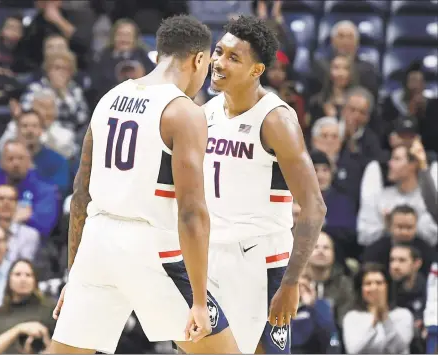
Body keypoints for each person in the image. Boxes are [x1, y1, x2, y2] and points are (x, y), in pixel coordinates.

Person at [47, 15, 239, 354]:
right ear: (199, 59)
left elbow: (80, 194)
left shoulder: (109, 98)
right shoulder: (184, 112)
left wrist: (74, 275)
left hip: (97, 241)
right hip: (150, 246)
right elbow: (192, 212)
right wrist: (198, 299)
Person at [202, 15, 326, 354]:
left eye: (233, 57)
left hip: (260, 262)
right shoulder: (207, 111)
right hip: (210, 254)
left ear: (257, 71)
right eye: (218, 51)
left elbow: (314, 207)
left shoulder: (276, 120)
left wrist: (291, 282)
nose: (218, 62)